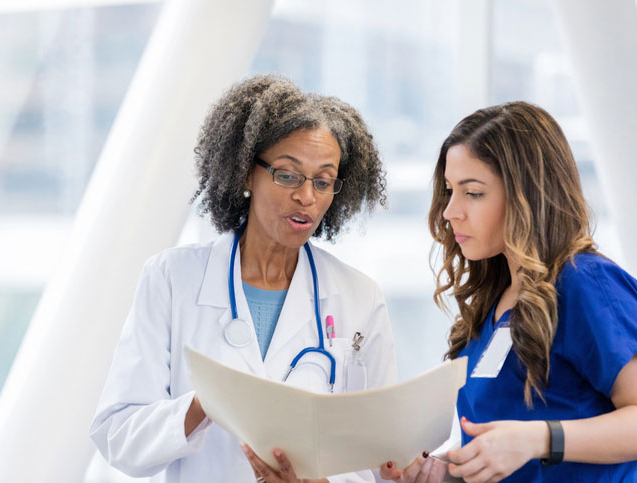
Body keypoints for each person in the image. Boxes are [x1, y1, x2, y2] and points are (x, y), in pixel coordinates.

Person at [90, 74, 399, 483]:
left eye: (323, 181)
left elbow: (382, 457)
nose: (306, 196)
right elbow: (118, 435)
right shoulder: (171, 279)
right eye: (287, 175)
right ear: (244, 174)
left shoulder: (359, 297)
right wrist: (203, 405)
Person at [380, 101, 637, 482]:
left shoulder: (584, 282)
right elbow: (511, 449)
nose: (450, 211)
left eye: (474, 193)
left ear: (527, 195)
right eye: (451, 190)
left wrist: (539, 439)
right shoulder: (496, 302)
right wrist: (448, 471)